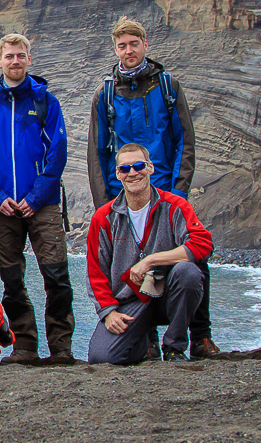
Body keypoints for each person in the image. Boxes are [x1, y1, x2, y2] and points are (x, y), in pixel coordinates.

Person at [87, 17, 215, 359]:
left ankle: (199, 336)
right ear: (115, 49)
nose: (128, 51)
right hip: (122, 194)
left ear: (145, 45)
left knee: (191, 259)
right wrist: (105, 203)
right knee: (128, 264)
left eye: (134, 44)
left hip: (165, 190)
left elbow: (183, 140)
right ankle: (146, 339)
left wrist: (180, 190)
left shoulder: (167, 87)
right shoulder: (106, 94)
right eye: (121, 46)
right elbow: (98, 150)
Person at [0, 34, 76, 363]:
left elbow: (57, 154)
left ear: (30, 59)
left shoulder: (46, 102)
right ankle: (25, 345)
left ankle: (60, 346)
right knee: (11, 278)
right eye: (9, 56)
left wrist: (36, 196)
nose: (15, 61)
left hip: (42, 205)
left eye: (21, 56)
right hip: (2, 208)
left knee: (56, 275)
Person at [87, 143, 213, 365]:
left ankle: (174, 347)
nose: (132, 173)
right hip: (129, 303)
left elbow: (202, 244)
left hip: (169, 296)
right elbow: (96, 272)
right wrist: (108, 312)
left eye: (138, 166)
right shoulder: (104, 217)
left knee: (189, 272)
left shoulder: (174, 206)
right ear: (117, 174)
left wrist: (151, 260)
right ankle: (144, 343)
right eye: (125, 169)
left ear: (151, 168)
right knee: (102, 357)